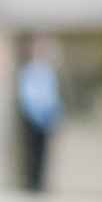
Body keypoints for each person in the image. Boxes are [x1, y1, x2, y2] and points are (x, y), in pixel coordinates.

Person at [17, 38, 63, 194]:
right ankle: (30, 183)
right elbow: (26, 95)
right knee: (31, 151)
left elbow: (53, 94)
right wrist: (33, 112)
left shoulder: (49, 71)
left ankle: (40, 184)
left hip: (46, 117)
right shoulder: (28, 70)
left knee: (43, 152)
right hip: (31, 116)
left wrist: (53, 113)